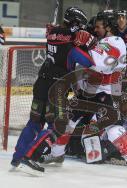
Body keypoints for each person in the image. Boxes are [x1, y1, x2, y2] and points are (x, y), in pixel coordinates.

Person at [40, 10, 127, 180]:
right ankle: (57, 154)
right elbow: (84, 49)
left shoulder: (116, 41)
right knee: (67, 122)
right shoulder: (104, 40)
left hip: (105, 93)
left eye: (98, 26)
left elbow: (100, 63)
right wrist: (57, 34)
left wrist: (88, 43)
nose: (95, 29)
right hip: (89, 93)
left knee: (112, 128)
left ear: (109, 27)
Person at [10, 7, 91, 173]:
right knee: (57, 125)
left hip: (41, 83)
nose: (83, 29)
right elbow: (88, 62)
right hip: (56, 88)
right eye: (81, 25)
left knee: (34, 122)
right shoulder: (71, 46)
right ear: (75, 24)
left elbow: (57, 35)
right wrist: (88, 45)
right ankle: (31, 156)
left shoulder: (52, 34)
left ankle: (17, 157)